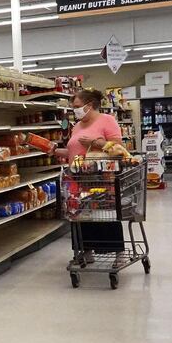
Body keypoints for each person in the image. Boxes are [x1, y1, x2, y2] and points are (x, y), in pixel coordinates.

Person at [55, 89, 125, 264]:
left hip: (101, 177)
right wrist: (56, 151)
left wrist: (95, 142)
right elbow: (74, 150)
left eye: (77, 106)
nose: (74, 110)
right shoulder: (77, 126)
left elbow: (118, 149)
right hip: (77, 177)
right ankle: (86, 250)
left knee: (105, 214)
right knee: (81, 215)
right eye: (73, 107)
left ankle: (118, 253)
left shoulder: (107, 120)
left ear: (90, 105)